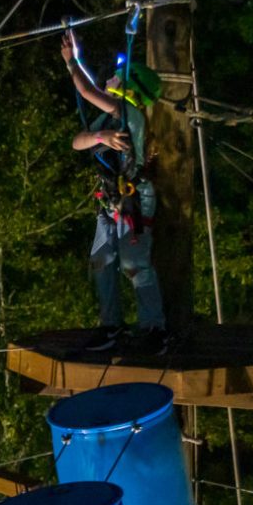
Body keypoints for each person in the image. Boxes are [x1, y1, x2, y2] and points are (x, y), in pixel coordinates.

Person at [60, 24, 167, 354]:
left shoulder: (127, 113)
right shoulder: (108, 123)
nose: (111, 78)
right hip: (110, 199)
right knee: (102, 261)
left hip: (133, 198)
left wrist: (72, 63)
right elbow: (78, 143)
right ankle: (112, 326)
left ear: (129, 88)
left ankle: (155, 329)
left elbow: (89, 91)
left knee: (133, 263)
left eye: (117, 76)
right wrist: (99, 138)